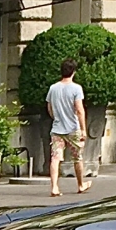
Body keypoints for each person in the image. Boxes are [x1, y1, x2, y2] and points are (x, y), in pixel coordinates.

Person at [46, 59, 91, 196]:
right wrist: (83, 129)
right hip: (73, 128)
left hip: (57, 129)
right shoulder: (76, 88)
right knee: (77, 157)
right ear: (74, 72)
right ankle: (80, 184)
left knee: (55, 158)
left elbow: (49, 107)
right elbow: (79, 110)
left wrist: (56, 117)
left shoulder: (53, 88)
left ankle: (54, 187)